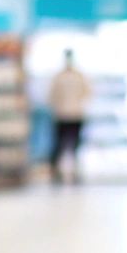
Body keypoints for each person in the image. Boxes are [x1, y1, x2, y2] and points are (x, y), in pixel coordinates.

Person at [47, 51, 91, 185]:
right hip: (62, 115)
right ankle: (56, 172)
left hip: (75, 115)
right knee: (60, 145)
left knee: (75, 145)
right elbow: (52, 96)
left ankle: (75, 171)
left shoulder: (79, 76)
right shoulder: (59, 77)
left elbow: (87, 93)